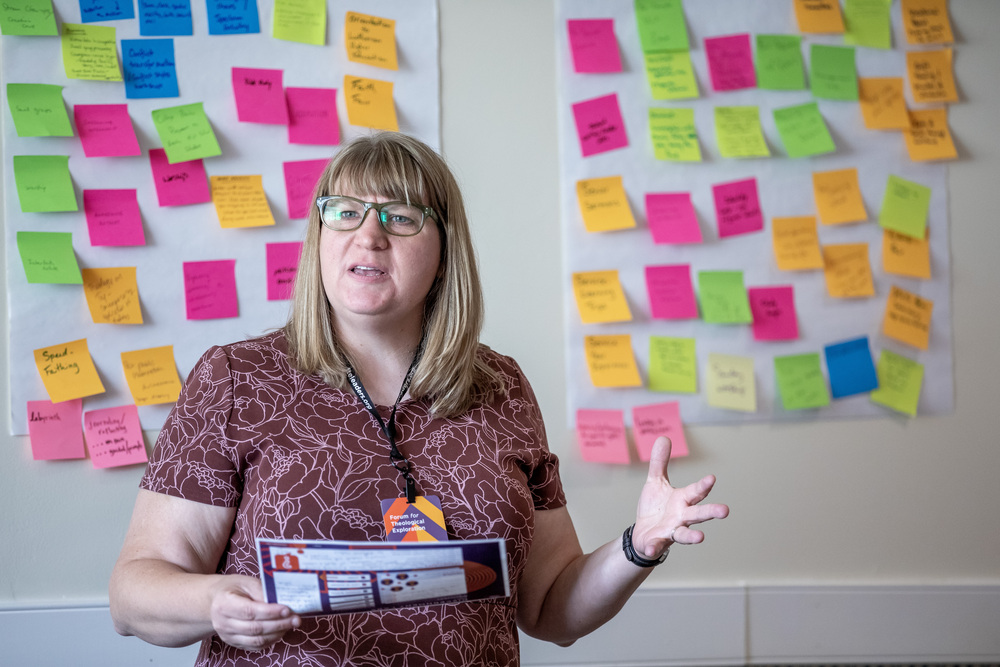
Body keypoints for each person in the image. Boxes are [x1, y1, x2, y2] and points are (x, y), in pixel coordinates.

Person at [109, 131, 729, 666]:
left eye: (400, 216)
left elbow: (550, 609)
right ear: (319, 235)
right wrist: (214, 602)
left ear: (444, 249)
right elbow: (132, 596)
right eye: (344, 211)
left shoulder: (501, 385)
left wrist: (637, 545)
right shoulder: (237, 378)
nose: (368, 235)